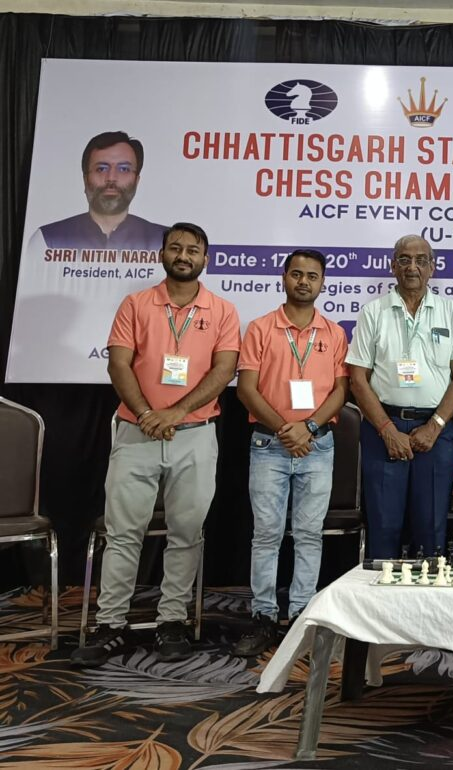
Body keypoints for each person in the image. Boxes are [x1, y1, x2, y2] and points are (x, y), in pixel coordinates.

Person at [71, 222, 240, 667]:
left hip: (195, 435)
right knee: (123, 534)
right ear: (162, 254)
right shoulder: (136, 304)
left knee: (186, 534)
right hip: (136, 432)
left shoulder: (222, 311)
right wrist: (148, 413)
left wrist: (176, 413)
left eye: (193, 250)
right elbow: (118, 364)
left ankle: (172, 621)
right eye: (176, 248)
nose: (184, 255)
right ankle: (111, 625)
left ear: (206, 259)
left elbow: (224, 371)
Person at [231, 249, 349, 657]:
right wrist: (287, 429)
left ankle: (302, 615)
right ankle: (263, 615)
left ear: (322, 283)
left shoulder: (334, 333)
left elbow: (341, 391)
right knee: (266, 534)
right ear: (283, 278)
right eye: (296, 274)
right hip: (270, 444)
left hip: (318, 445)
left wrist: (308, 427)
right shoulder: (261, 328)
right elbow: (247, 389)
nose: (303, 281)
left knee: (309, 535)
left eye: (312, 276)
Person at [347, 235, 453, 559]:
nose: (412, 267)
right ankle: (379, 592)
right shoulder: (373, 312)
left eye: (420, 260)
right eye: (404, 259)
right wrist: (387, 430)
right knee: (383, 527)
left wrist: (435, 425)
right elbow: (357, 379)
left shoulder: (450, 311)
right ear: (393, 266)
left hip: (436, 432)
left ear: (432, 267)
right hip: (383, 429)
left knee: (431, 528)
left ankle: (428, 591)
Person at [30, 131, 165, 252]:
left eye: (123, 169)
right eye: (101, 169)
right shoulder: (48, 240)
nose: (111, 178)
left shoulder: (164, 241)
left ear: (137, 181)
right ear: (85, 179)